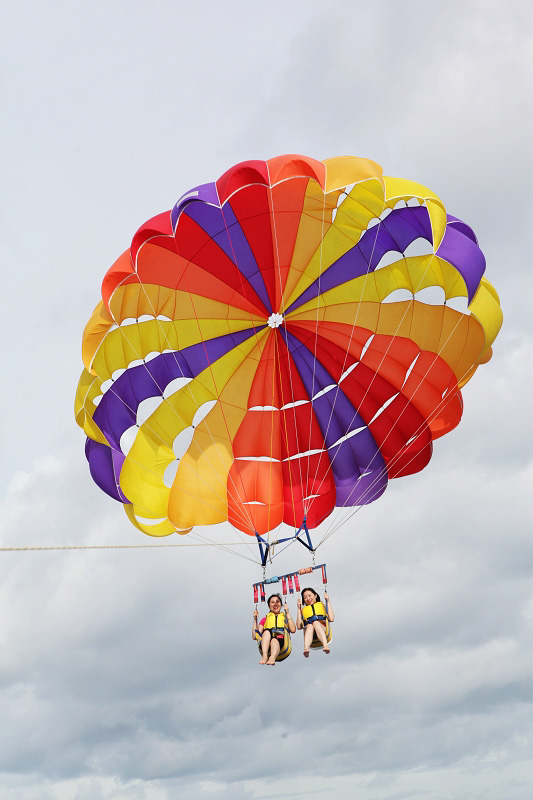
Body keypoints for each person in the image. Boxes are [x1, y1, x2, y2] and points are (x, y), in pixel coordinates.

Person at [253, 593, 296, 665]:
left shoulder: (285, 617)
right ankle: (265, 655)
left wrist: (287, 613)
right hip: (266, 644)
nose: (275, 604)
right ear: (269, 606)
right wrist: (255, 620)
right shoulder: (265, 619)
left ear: (281, 605)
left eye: (277, 602)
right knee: (266, 632)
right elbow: (255, 636)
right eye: (272, 602)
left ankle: (272, 657)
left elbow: (293, 630)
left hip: (281, 643)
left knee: (274, 640)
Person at [297, 587, 334, 657]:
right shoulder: (303, 610)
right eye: (305, 597)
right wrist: (299, 609)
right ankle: (306, 649)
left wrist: (328, 601)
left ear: (315, 595)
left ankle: (325, 646)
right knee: (310, 625)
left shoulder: (322, 605)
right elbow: (299, 627)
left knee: (316, 623)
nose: (308, 598)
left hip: (322, 628)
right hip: (310, 631)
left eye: (310, 596)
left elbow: (331, 618)